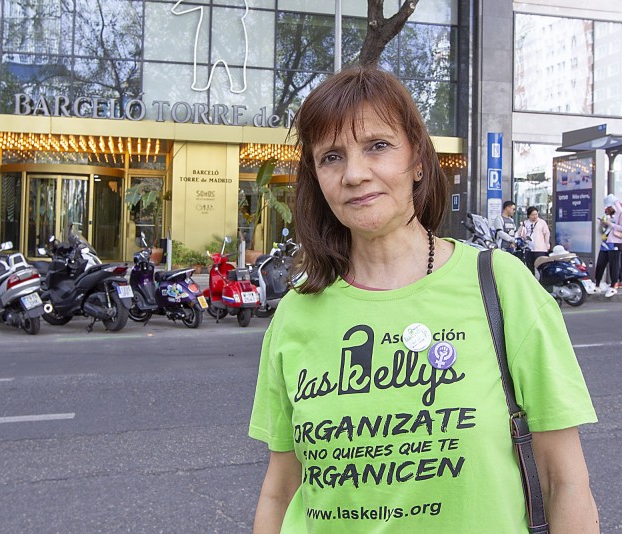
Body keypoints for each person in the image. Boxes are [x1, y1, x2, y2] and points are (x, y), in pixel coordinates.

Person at [249, 67, 598, 533]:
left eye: (378, 145)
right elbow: (280, 489)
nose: (355, 174)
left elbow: (565, 480)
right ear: (317, 178)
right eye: (332, 156)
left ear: (417, 160)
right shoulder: (296, 312)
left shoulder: (500, 285)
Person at [516, 206, 551, 274]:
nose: (535, 216)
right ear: (529, 215)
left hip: (540, 249)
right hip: (529, 249)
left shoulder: (542, 223)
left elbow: (546, 234)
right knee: (530, 267)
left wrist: (547, 244)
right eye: (533, 215)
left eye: (536, 214)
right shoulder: (525, 223)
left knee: (541, 266)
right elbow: (518, 233)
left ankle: (541, 282)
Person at [602, 194, 622, 294]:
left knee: (615, 264)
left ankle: (615, 283)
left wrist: (611, 224)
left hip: (616, 242)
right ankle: (616, 282)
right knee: (616, 263)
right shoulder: (616, 213)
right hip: (612, 242)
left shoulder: (620, 212)